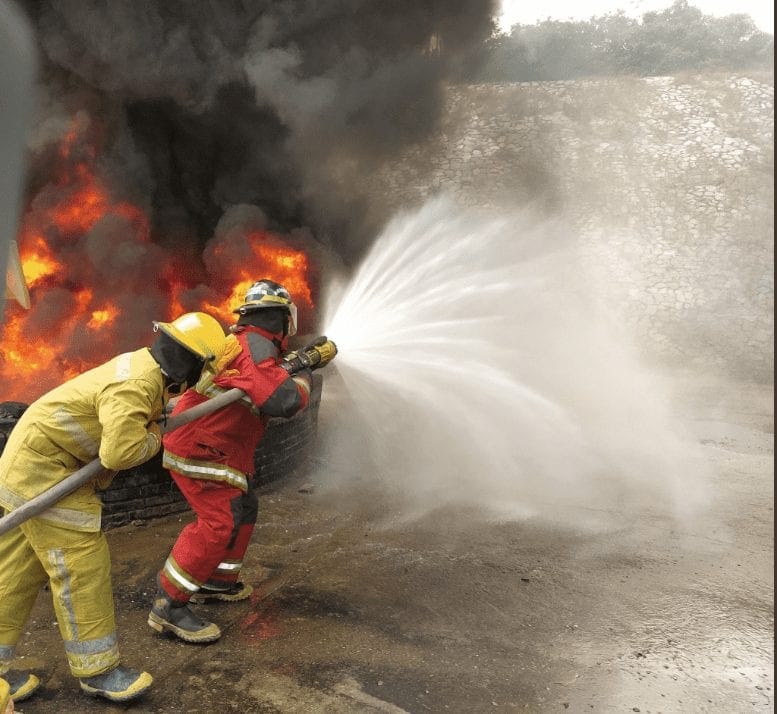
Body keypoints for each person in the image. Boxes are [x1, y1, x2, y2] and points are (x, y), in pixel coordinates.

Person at [0, 312, 226, 704]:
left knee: (16, 572)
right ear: (192, 362)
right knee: (82, 566)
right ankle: (99, 671)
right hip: (46, 475)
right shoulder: (136, 384)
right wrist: (156, 435)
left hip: (26, 466)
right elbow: (120, 452)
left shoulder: (142, 368)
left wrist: (156, 415)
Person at [148, 279, 324, 643]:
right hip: (202, 447)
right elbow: (285, 401)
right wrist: (305, 370)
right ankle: (169, 605)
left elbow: (261, 382)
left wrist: (292, 364)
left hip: (217, 445)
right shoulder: (254, 349)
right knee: (218, 521)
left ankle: (217, 580)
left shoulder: (250, 344)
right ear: (283, 318)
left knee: (244, 506)